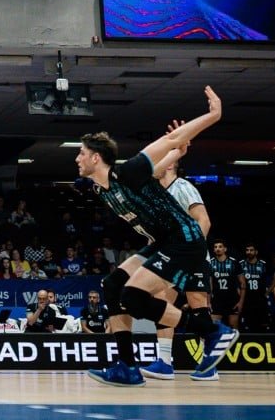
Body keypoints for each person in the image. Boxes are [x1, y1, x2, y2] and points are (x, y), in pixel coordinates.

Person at [75, 88, 237, 387]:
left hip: (183, 239)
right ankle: (127, 366)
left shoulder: (130, 172)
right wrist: (177, 153)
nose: (77, 158)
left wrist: (213, 115)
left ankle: (211, 331)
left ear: (96, 158)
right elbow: (166, 161)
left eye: (81, 154)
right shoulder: (102, 189)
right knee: (112, 286)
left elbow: (170, 140)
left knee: (133, 296)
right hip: (161, 242)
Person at [140, 155, 213, 381]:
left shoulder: (183, 187)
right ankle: (164, 363)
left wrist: (193, 251)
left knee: (198, 304)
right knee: (162, 304)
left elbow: (204, 221)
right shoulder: (156, 195)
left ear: (170, 164)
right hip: (170, 256)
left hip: (193, 255)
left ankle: (208, 364)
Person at [208, 239, 245, 329]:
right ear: (213, 250)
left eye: (220, 247)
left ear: (225, 249)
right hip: (217, 300)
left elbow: (243, 284)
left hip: (232, 299)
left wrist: (241, 302)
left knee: (233, 328)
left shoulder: (234, 262)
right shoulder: (210, 263)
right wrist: (208, 302)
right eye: (215, 247)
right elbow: (209, 285)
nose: (218, 249)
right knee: (215, 328)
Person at [240, 243, 270, 332]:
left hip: (261, 298)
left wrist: (267, 293)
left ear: (256, 252)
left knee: (263, 324)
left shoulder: (263, 264)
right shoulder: (241, 264)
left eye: (251, 250)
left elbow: (270, 280)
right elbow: (236, 282)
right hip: (247, 299)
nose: (249, 252)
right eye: (247, 250)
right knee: (248, 324)